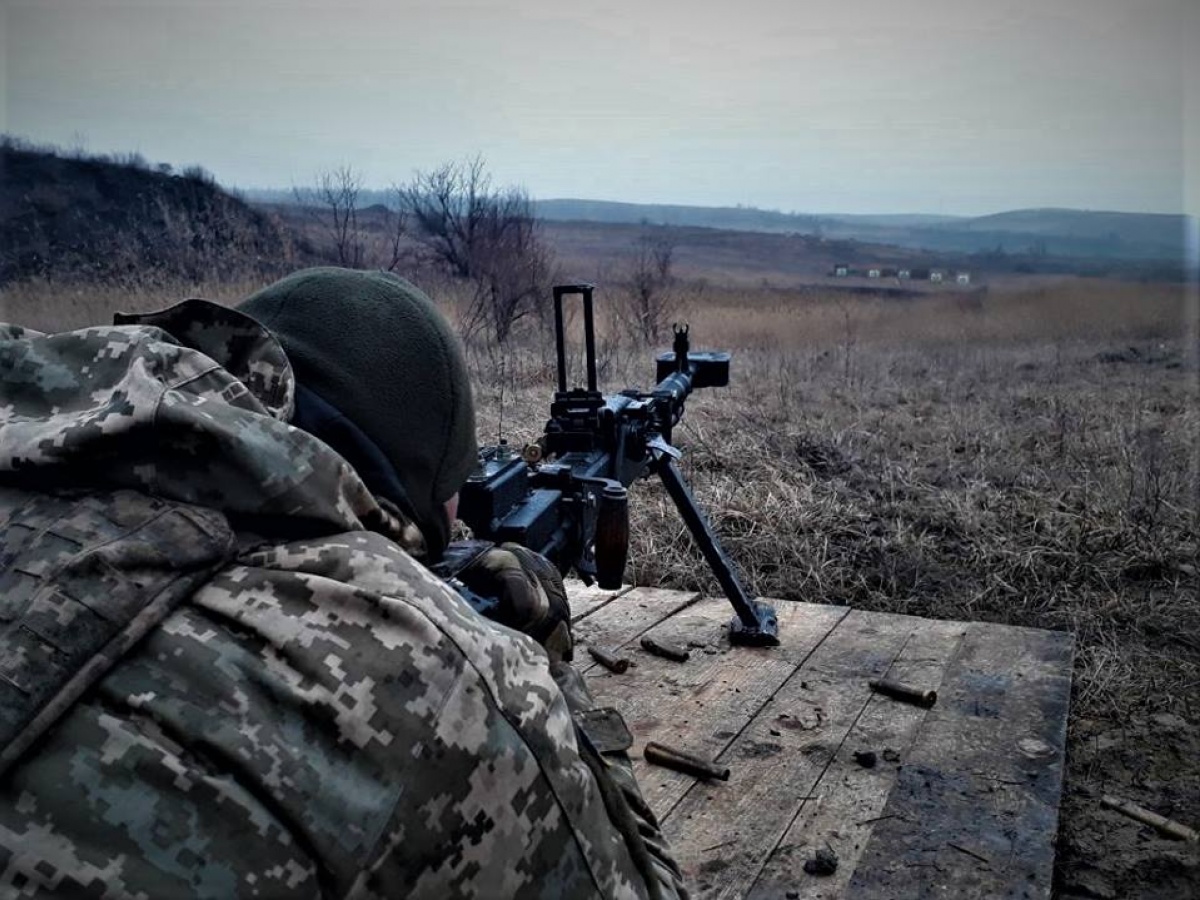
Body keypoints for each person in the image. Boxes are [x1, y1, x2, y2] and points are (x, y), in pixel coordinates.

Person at [0, 267, 687, 899]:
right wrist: (536, 670)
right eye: (457, 489)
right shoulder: (429, 674)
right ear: (420, 482)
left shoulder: (39, 442)